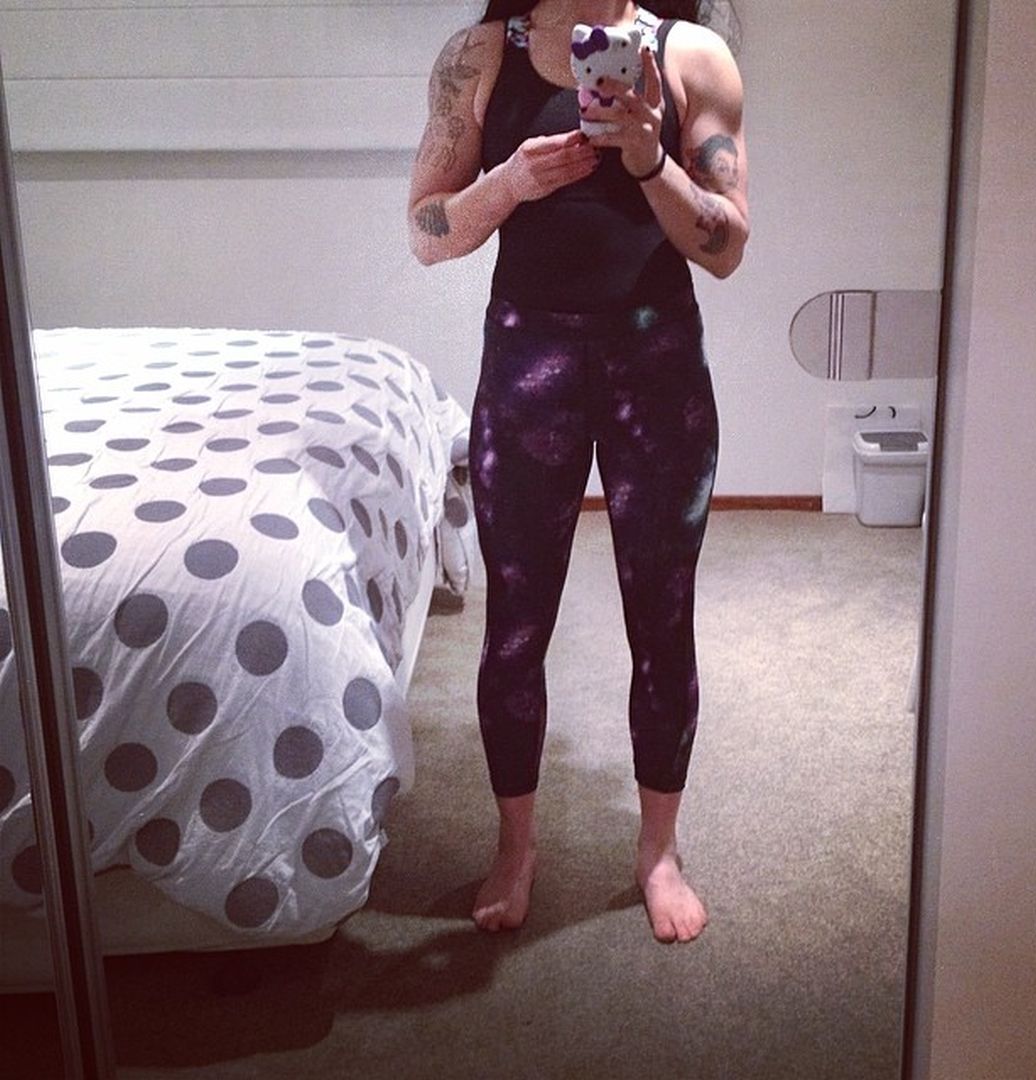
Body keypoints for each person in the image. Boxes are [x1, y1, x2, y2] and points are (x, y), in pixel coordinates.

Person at [407, 0, 749, 943]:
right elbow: (428, 232)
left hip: (657, 361)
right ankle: (515, 846)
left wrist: (648, 160)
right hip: (531, 361)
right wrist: (510, 183)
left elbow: (727, 245)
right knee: (515, 625)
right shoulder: (480, 55)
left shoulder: (694, 56)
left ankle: (659, 851)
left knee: (663, 619)